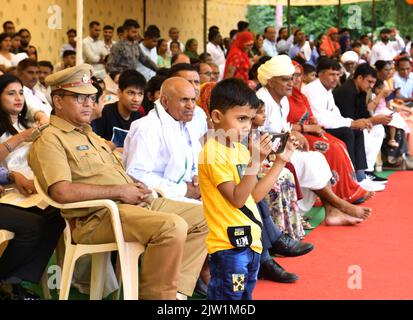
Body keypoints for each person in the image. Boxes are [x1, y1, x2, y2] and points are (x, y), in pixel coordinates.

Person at [28, 64, 208, 300]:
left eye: (91, 98)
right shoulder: (50, 139)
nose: (88, 104)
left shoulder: (89, 134)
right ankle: (157, 298)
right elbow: (61, 192)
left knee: (205, 216)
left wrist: (135, 185)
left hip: (132, 205)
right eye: (79, 98)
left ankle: (176, 294)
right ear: (58, 101)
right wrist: (121, 191)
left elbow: (113, 173)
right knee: (172, 226)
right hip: (96, 217)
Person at [199, 78, 296, 300]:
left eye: (251, 120)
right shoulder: (212, 152)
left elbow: (253, 195)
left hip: (250, 240)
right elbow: (237, 199)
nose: (247, 126)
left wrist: (280, 161)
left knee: (243, 298)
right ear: (216, 116)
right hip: (228, 245)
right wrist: (255, 160)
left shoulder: (240, 149)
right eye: (241, 118)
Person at [258, 55, 372, 225]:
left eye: (292, 78)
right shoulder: (262, 100)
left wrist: (294, 135)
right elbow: (258, 135)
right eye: (285, 80)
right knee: (310, 161)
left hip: (282, 148)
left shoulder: (282, 100)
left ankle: (332, 212)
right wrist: (293, 136)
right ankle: (340, 204)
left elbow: (283, 128)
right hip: (264, 155)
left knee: (318, 157)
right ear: (270, 81)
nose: (291, 83)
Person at [0, 74, 65, 300]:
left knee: (58, 216)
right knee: (34, 225)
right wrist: (24, 137)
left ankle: (13, 282)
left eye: (20, 93)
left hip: (27, 192)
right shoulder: (17, 129)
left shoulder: (25, 122)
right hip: (6, 195)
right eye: (10, 93)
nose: (18, 98)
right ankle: (5, 280)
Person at [288, 61, 371, 204]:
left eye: (298, 75)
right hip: (296, 135)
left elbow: (318, 117)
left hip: (311, 131)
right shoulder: (304, 92)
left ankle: (352, 185)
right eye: (291, 76)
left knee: (339, 144)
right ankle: (342, 193)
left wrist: (312, 124)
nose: (295, 80)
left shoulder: (301, 96)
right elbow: (283, 126)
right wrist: (308, 127)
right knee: (333, 147)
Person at [303, 58, 383, 191]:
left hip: (327, 126)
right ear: (320, 74)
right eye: (331, 74)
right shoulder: (313, 90)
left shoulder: (327, 90)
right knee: (348, 132)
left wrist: (354, 123)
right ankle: (351, 180)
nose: (335, 78)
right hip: (313, 130)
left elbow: (336, 115)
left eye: (337, 74)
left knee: (356, 129)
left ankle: (360, 176)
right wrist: (351, 123)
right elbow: (320, 119)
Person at [123, 77, 205, 203]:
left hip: (189, 196)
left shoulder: (187, 124)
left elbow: (193, 164)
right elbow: (136, 174)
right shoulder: (146, 127)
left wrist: (197, 177)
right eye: (184, 100)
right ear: (165, 101)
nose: (191, 106)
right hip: (160, 200)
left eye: (193, 100)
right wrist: (183, 190)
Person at [333, 63, 390, 185]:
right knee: (357, 132)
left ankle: (367, 171)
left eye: (373, 83)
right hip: (340, 126)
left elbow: (363, 113)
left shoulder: (360, 90)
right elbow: (349, 119)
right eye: (369, 82)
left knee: (378, 129)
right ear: (359, 78)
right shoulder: (347, 91)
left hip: (351, 124)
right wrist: (372, 121)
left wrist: (372, 121)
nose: (371, 86)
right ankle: (358, 175)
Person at [92, 70, 146, 148]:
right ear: (119, 92)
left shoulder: (138, 117)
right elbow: (94, 143)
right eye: (131, 93)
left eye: (140, 94)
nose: (136, 99)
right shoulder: (104, 113)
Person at [17, 59, 51, 126]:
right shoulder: (18, 93)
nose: (35, 77)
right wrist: (41, 116)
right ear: (20, 74)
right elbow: (30, 110)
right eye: (30, 72)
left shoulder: (39, 94)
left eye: (37, 72)